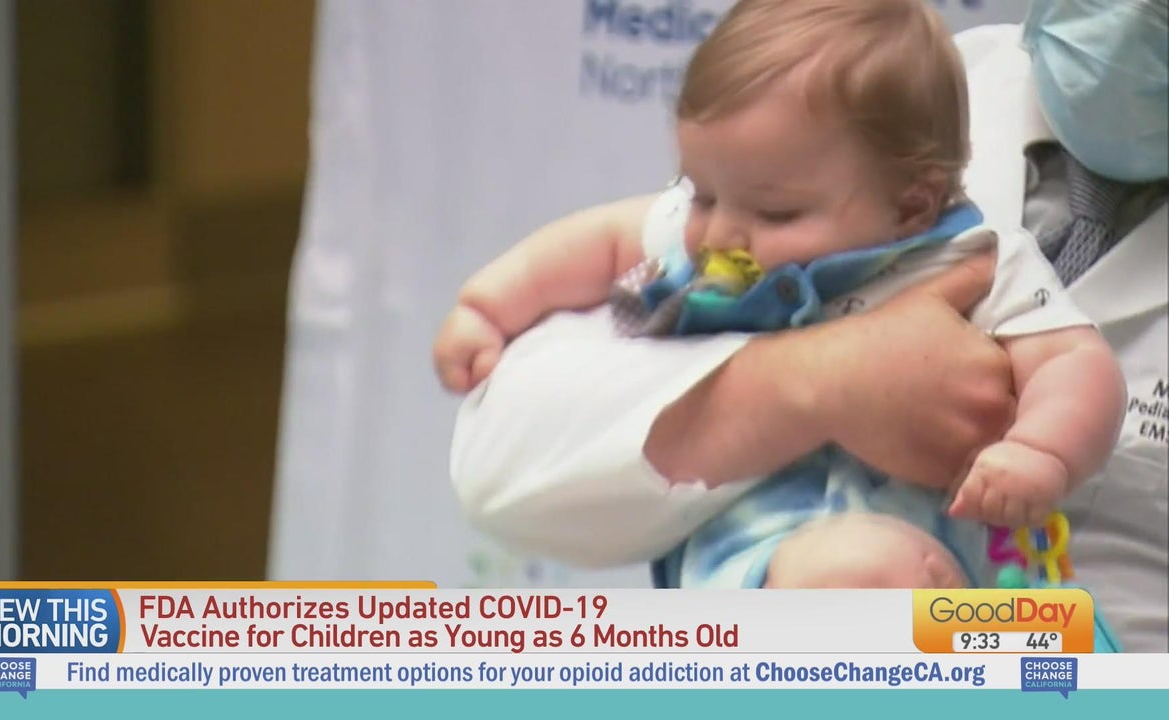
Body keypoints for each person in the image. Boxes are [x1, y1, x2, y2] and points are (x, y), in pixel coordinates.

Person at [446, 0, 1167, 647]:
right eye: (702, 198)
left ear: (914, 204)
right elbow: (601, 254)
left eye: (776, 214)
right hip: (762, 567)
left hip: (1009, 623)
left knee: (899, 586)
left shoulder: (970, 250)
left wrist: (1041, 453)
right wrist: (821, 382)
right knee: (861, 577)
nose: (719, 231)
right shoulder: (819, 130)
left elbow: (1071, 362)